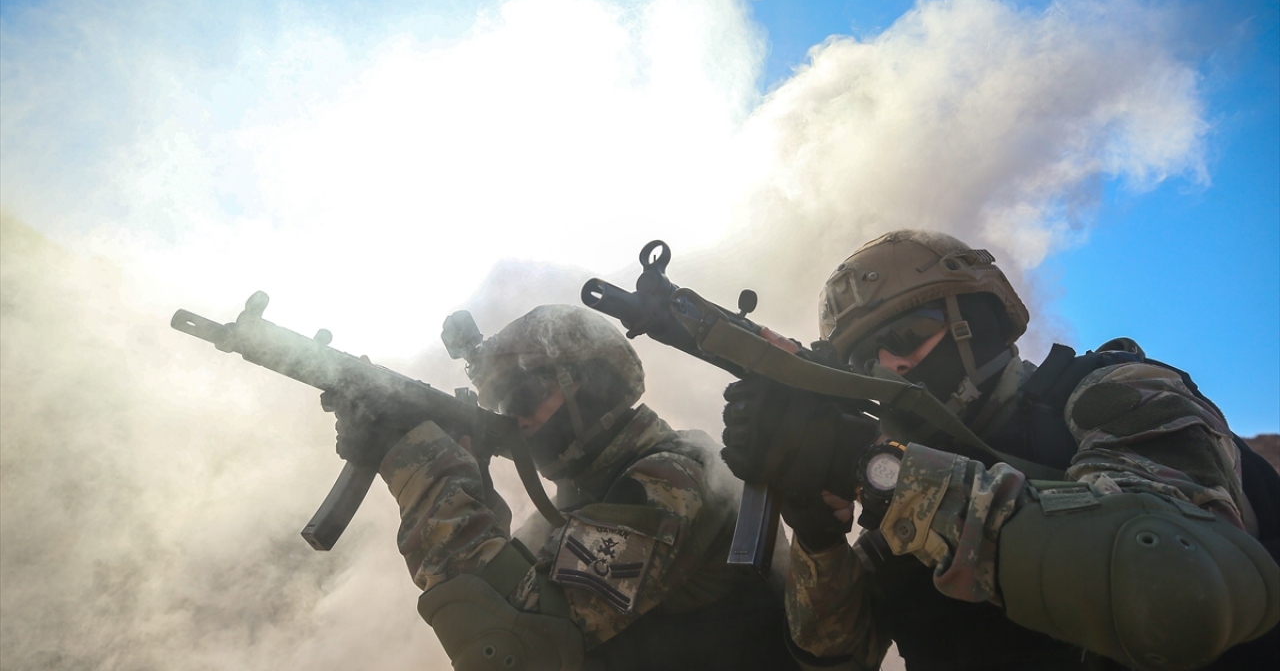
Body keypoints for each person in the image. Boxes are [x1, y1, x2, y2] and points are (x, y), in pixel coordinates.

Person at [719, 230, 1280, 671]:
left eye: (908, 335)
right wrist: (818, 535)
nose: (891, 366)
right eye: (866, 360)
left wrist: (881, 468)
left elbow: (1176, 586)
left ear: (975, 323)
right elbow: (834, 655)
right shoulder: (905, 504)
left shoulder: (1116, 392)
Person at [326, 304, 798, 671]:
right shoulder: (583, 501)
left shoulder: (668, 481)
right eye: (501, 407)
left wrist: (419, 460)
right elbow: (496, 584)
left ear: (593, 386)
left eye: (525, 396)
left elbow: (513, 647)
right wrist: (469, 476)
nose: (515, 421)